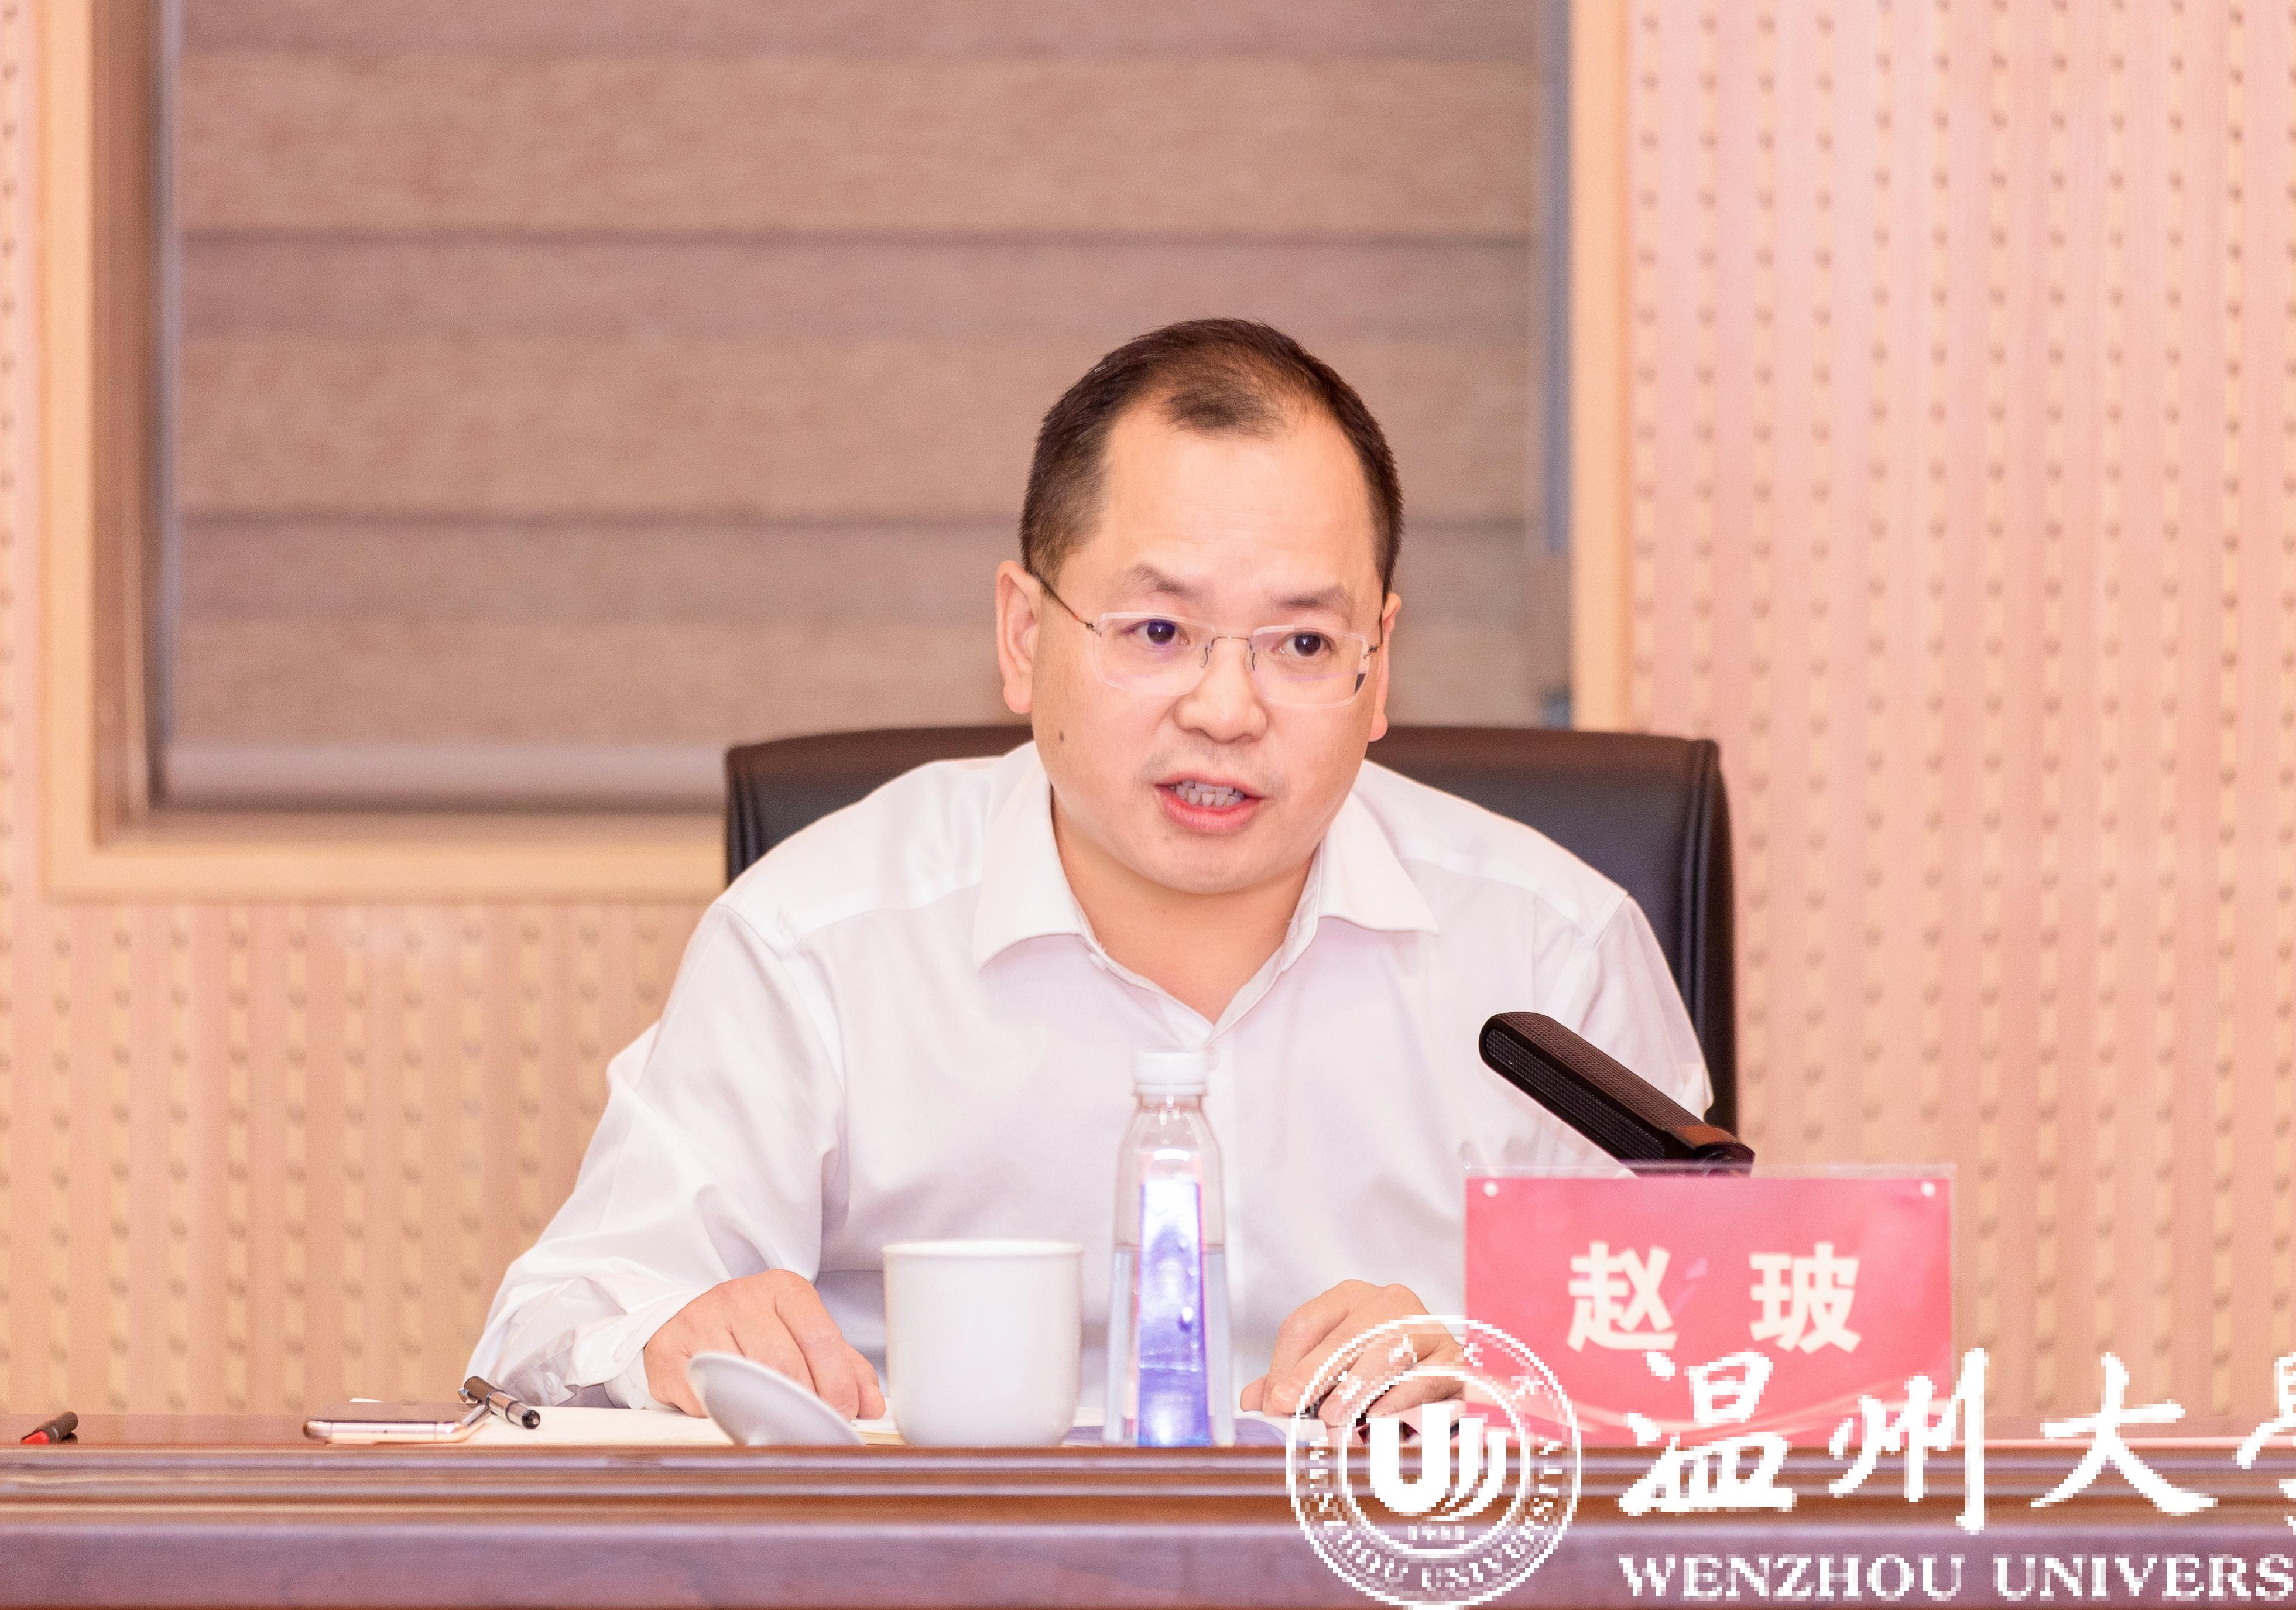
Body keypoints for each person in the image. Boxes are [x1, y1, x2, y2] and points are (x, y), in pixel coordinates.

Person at [467, 318, 1711, 1427]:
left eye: (1300, 642)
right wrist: (668, 1334)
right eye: (1157, 631)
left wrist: (1503, 1370)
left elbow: (1723, 1357)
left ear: (1377, 666)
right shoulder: (818, 940)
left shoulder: (1553, 951)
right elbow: (551, 1326)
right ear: (1023, 637)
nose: (1225, 709)